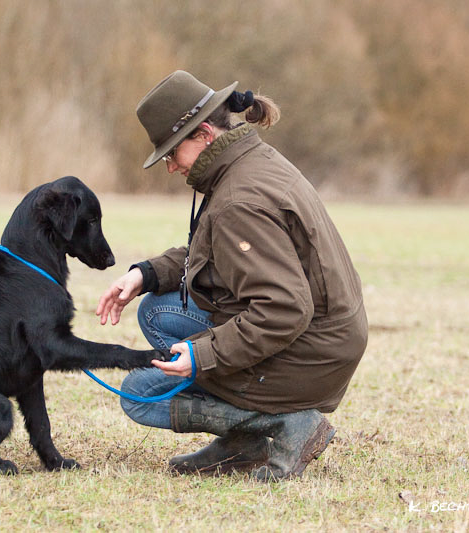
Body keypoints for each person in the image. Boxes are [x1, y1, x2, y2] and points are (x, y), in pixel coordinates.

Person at [95, 70, 368, 481]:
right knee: (156, 310)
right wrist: (145, 274)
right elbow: (216, 255)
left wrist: (201, 355)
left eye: (171, 153)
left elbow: (284, 310)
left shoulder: (238, 200)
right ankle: (244, 444)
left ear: (204, 135)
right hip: (326, 339)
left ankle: (283, 427)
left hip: (311, 353)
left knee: (139, 395)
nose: (171, 168)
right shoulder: (250, 165)